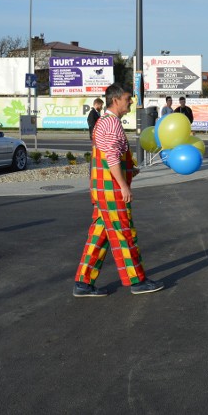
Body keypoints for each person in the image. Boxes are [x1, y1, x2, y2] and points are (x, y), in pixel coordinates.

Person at [74, 83, 163, 297]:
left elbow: (109, 156)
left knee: (98, 236)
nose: (131, 101)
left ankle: (83, 283)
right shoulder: (112, 124)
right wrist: (124, 185)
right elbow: (112, 157)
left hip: (101, 189)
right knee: (125, 234)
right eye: (127, 98)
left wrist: (130, 169)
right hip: (112, 192)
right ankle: (137, 281)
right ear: (115, 100)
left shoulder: (103, 122)